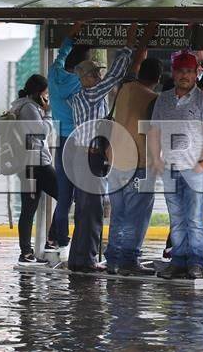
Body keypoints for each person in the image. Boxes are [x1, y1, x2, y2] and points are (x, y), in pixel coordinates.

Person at [66, 22, 157, 273]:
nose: (99, 77)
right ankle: (86, 261)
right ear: (86, 79)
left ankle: (80, 259)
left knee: (86, 209)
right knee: (92, 210)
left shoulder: (77, 97)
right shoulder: (92, 94)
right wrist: (130, 43)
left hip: (80, 155)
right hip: (89, 157)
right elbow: (118, 74)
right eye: (95, 74)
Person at [148, 52, 203, 279]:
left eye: (189, 71)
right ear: (174, 73)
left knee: (195, 218)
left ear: (196, 74)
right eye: (180, 71)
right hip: (169, 168)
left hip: (194, 170)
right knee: (176, 218)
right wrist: (156, 158)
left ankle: (195, 263)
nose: (184, 75)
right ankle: (178, 261)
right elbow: (154, 131)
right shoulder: (163, 98)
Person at [103, 56, 162, 276]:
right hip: (138, 162)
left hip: (115, 160)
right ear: (157, 77)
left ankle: (113, 259)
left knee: (118, 212)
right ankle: (129, 260)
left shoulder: (125, 89)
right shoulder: (154, 98)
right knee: (137, 214)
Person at [47, 22, 91, 257]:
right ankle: (79, 241)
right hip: (79, 142)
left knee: (64, 197)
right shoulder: (80, 82)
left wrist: (73, 31)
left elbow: (61, 53)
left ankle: (60, 239)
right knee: (84, 194)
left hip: (61, 142)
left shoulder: (54, 74)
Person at [9, 74, 59, 263]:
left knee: (29, 208)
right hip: (36, 163)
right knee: (66, 196)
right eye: (46, 95)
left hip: (28, 163)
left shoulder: (21, 105)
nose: (47, 99)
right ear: (39, 93)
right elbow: (42, 132)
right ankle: (53, 239)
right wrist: (48, 113)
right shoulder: (29, 108)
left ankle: (27, 252)